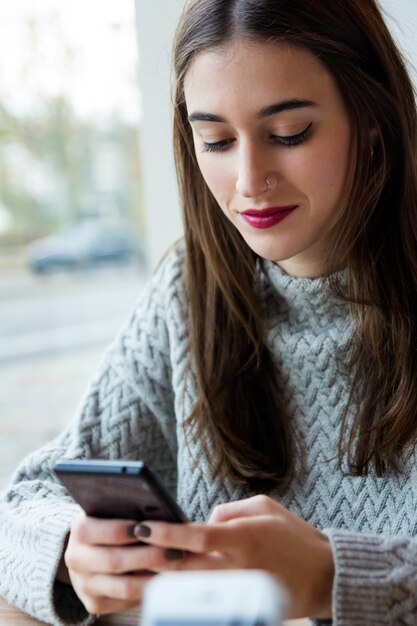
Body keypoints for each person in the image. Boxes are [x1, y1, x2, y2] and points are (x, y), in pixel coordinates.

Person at [1, 0, 417, 624]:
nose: (249, 180)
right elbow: (23, 504)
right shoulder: (190, 290)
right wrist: (72, 551)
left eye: (289, 134)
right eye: (216, 141)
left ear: (374, 119)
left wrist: (332, 576)